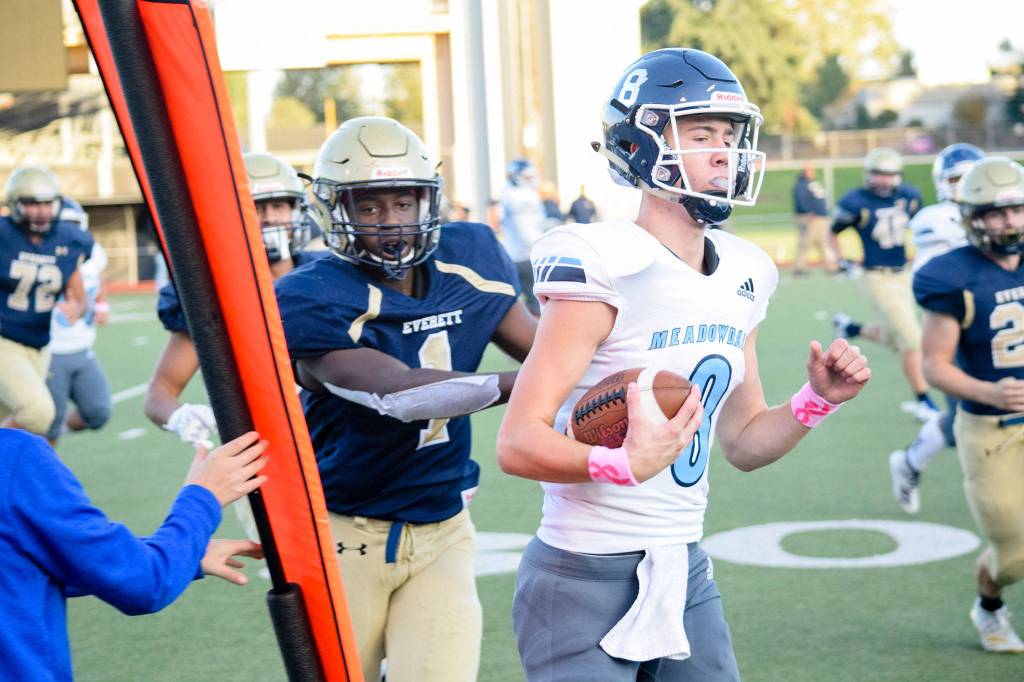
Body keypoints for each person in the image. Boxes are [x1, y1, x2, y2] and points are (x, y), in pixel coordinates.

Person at [495, 48, 871, 681]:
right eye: (700, 135)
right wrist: (620, 463)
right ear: (641, 147)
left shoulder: (746, 271)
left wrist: (818, 400)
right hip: (583, 569)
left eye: (729, 135)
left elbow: (746, 443)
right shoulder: (603, 261)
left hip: (683, 566)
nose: (725, 152)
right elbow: (517, 440)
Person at [274, 116, 537, 682]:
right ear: (334, 210)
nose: (391, 223)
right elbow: (398, 396)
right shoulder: (310, 296)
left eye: (404, 202)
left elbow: (544, 352)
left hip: (442, 527)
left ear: (429, 201)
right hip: (342, 534)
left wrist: (621, 377)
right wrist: (531, 386)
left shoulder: (470, 254)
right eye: (368, 208)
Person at [0, 427, 268, 681]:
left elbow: (23, 561)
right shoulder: (14, 456)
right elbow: (143, 583)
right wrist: (204, 495)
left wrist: (181, 551)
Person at [913, 156, 1024, 653]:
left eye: (1017, 210)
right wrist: (990, 392)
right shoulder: (951, 275)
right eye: (997, 213)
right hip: (990, 429)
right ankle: (989, 605)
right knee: (1016, 554)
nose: (1010, 223)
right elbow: (934, 365)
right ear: (971, 217)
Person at [144, 151, 322, 448]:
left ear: (296, 210)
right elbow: (159, 394)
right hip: (268, 448)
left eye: (278, 205)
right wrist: (179, 417)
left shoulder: (327, 275)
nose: (269, 219)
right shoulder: (211, 293)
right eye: (257, 208)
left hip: (337, 439)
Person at [888, 143, 984, 514]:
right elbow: (941, 282)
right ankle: (910, 462)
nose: (964, 186)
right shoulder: (935, 219)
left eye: (971, 177)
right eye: (956, 179)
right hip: (958, 330)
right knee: (964, 420)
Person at [830, 148, 938, 422]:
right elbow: (833, 233)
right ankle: (923, 400)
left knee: (896, 337)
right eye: (878, 174)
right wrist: (842, 261)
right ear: (868, 175)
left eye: (889, 175)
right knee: (912, 338)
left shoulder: (910, 196)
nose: (883, 180)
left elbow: (924, 227)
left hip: (904, 274)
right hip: (875, 275)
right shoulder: (856, 201)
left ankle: (850, 328)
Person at [0, 166, 91, 439]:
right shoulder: (3, 235)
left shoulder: (69, 239)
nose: (41, 211)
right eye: (31, 204)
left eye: (47, 203)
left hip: (39, 346)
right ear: (15, 204)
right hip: (4, 340)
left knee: (10, 419)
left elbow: (78, 295)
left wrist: (77, 308)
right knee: (38, 415)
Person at [45, 198, 113, 444]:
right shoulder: (41, 253)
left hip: (83, 348)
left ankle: (46, 438)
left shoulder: (92, 251)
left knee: (98, 412)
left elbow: (98, 274)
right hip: (50, 351)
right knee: (47, 423)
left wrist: (101, 302)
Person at [499, 157, 546, 314]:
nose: (532, 180)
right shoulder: (522, 196)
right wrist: (543, 248)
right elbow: (525, 231)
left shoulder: (508, 193)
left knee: (528, 303)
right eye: (528, 177)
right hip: (527, 256)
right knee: (539, 304)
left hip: (515, 255)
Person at [791, 162, 837, 275]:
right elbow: (800, 199)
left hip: (821, 218)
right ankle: (799, 267)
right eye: (809, 170)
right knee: (805, 242)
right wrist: (806, 212)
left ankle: (830, 266)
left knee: (823, 242)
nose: (811, 172)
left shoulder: (813, 183)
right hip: (810, 218)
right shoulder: (801, 184)